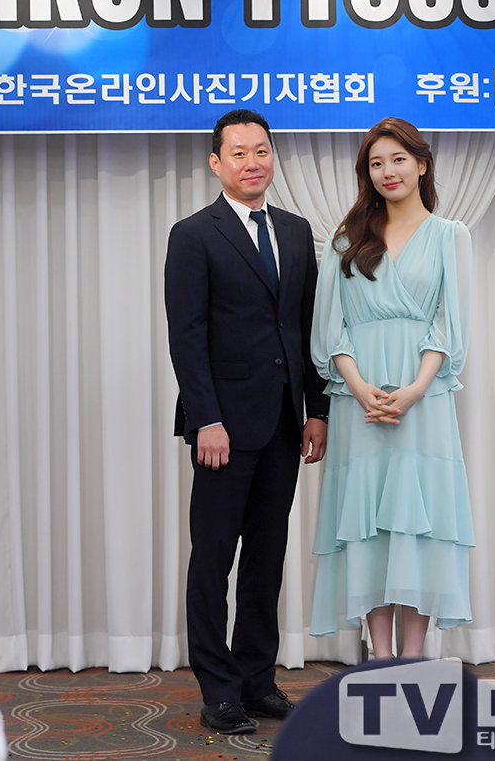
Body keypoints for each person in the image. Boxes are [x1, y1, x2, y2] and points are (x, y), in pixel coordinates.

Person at [165, 109, 328, 734]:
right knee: (212, 559)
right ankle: (219, 689)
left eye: (261, 150)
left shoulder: (296, 230)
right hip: (223, 431)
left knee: (267, 557)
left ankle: (258, 679)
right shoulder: (193, 235)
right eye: (239, 153)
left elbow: (306, 328)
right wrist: (205, 419)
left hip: (285, 423)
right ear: (217, 163)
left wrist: (317, 410)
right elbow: (187, 336)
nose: (252, 162)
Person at [309, 117, 474, 659]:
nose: (387, 172)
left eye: (398, 159)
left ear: (421, 164)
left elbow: (450, 324)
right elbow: (330, 328)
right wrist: (358, 387)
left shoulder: (451, 235)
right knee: (368, 527)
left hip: (423, 399)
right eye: (376, 163)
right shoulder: (345, 241)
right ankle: (380, 658)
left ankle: (414, 656)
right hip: (358, 401)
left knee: (419, 523)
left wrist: (416, 388)